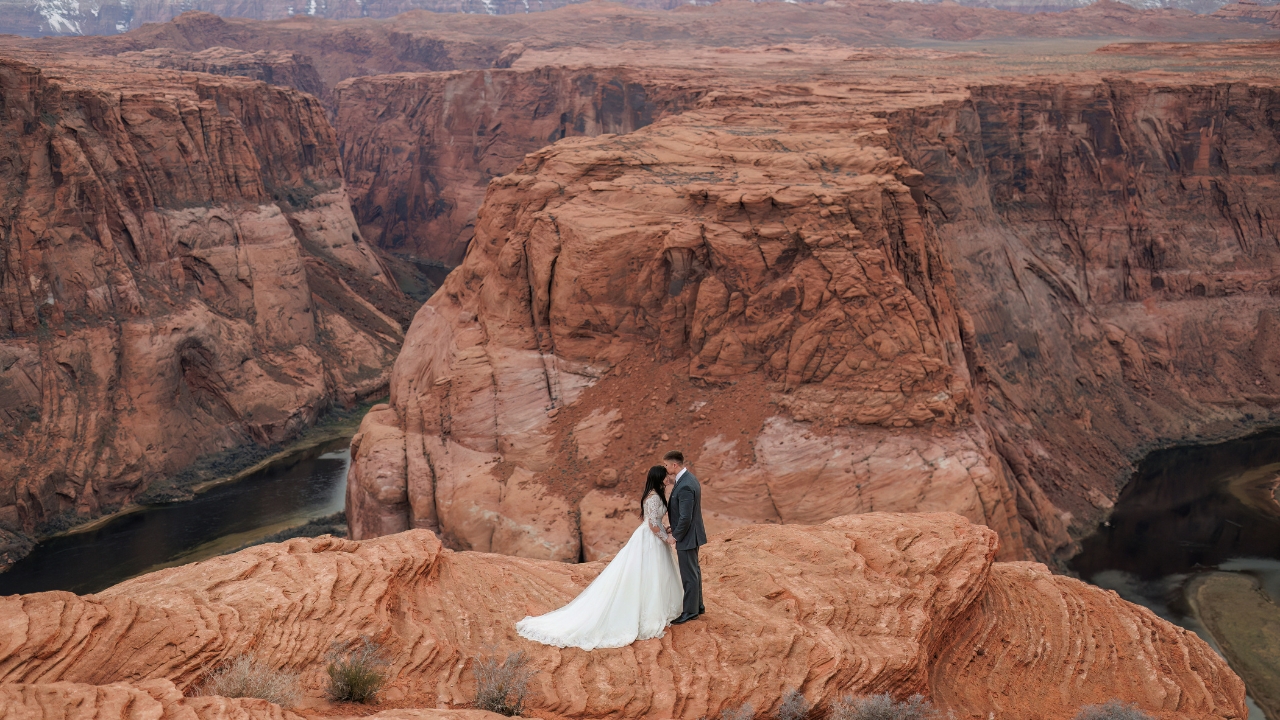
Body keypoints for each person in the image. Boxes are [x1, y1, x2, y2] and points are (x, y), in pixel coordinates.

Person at [515, 466, 682, 650]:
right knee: (646, 573)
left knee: (653, 574)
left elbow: (655, 522)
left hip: (653, 540)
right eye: (666, 475)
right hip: (649, 540)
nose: (669, 477)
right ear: (659, 477)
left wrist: (664, 529)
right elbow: (651, 524)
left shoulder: (657, 494)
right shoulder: (654, 496)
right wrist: (667, 538)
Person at [662, 450, 707, 624]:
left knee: (689, 575)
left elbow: (686, 516)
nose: (665, 468)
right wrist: (674, 527)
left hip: (688, 536)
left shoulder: (686, 484)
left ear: (674, 465)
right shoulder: (689, 479)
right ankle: (698, 606)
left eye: (666, 465)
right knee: (694, 571)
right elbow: (684, 513)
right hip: (691, 534)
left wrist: (676, 536)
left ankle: (690, 612)